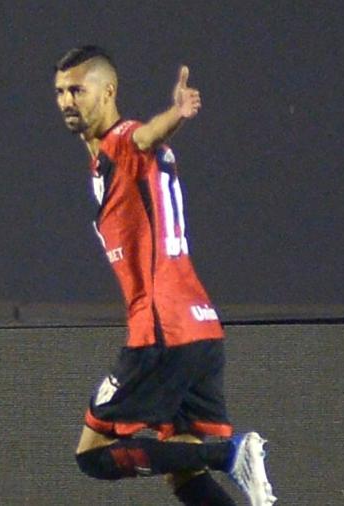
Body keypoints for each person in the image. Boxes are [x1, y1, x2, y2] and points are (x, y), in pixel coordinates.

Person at [53, 46, 276, 505]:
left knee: (92, 454)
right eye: (60, 91)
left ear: (108, 90)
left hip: (160, 333)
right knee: (184, 473)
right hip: (200, 330)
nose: (67, 101)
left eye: (78, 89)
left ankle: (230, 454)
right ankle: (223, 456)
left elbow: (144, 136)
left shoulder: (124, 140)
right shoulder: (108, 162)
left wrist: (174, 114)